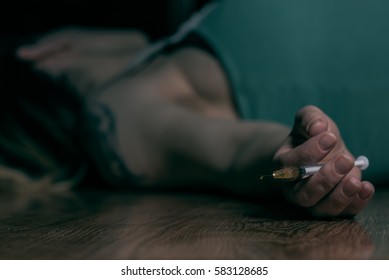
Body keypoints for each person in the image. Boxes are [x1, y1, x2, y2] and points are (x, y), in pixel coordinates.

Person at [8, 0, 382, 218]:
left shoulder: (169, 46)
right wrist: (290, 155)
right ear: (43, 56)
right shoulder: (113, 111)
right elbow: (233, 152)